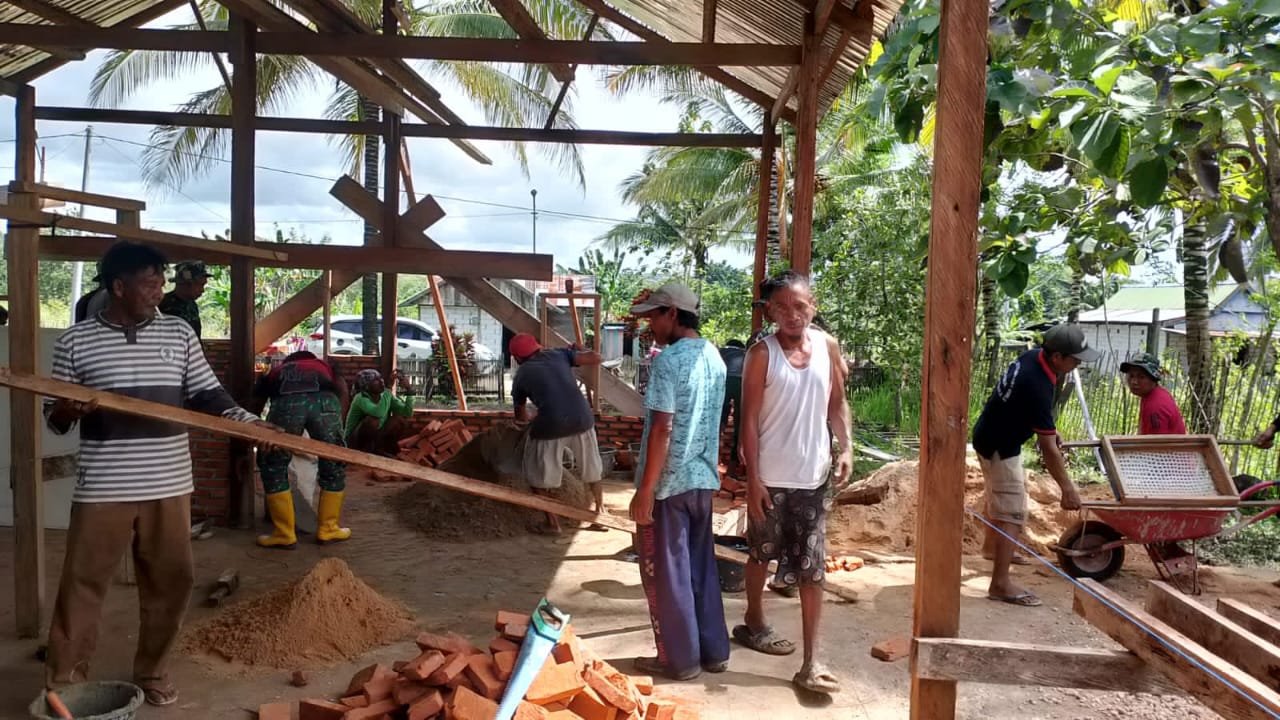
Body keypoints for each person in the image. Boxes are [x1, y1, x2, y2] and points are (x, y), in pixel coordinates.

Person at [43, 241, 273, 706]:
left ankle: (152, 671)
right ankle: (65, 680)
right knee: (83, 583)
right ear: (119, 287)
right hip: (104, 485)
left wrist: (250, 423)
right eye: (150, 283)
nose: (160, 291)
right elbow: (55, 416)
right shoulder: (75, 342)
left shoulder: (178, 334)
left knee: (171, 581)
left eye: (161, 282)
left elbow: (208, 394)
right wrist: (69, 409)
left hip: (168, 483)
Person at [735, 271, 852, 695]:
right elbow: (749, 420)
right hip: (770, 477)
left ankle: (811, 662)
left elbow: (837, 403)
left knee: (812, 568)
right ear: (769, 312)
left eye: (800, 306)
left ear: (813, 306)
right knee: (760, 554)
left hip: (813, 478)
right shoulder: (761, 354)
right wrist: (753, 480)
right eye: (781, 307)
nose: (792, 314)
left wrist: (846, 447)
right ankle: (754, 619)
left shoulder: (827, 346)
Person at [628, 282, 731, 681]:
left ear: (672, 314)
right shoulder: (714, 357)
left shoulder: (668, 362)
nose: (650, 325)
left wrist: (645, 490)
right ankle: (714, 652)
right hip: (702, 481)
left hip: (669, 485)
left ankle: (680, 660)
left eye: (654, 316)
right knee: (701, 567)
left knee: (669, 575)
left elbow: (662, 429)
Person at [971, 323, 1092, 607]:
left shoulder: (1033, 357)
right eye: (1075, 359)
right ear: (1057, 357)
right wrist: (1068, 489)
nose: (1078, 364)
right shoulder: (1036, 384)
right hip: (1001, 446)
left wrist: (1048, 429)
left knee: (997, 497)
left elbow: (1030, 412)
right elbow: (1048, 450)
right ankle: (1000, 584)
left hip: (988, 436)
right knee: (1013, 512)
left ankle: (992, 549)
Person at [252, 350, 351, 548]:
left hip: (286, 405)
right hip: (325, 404)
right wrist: (337, 425)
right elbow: (342, 389)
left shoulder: (278, 371)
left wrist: (255, 430)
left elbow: (257, 401)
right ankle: (328, 529)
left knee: (273, 463)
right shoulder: (324, 367)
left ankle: (284, 534)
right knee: (334, 462)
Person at [509, 332, 605, 534]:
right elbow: (596, 358)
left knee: (536, 475)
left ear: (516, 358)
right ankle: (599, 514)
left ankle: (553, 524)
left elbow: (521, 418)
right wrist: (580, 348)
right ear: (537, 347)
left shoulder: (521, 376)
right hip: (582, 418)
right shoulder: (559, 354)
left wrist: (532, 417)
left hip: (551, 425)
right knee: (593, 469)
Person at [345, 368, 415, 455]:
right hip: (353, 442)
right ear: (367, 386)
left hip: (375, 439)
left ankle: (382, 449)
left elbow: (407, 412)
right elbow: (378, 413)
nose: (381, 381)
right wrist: (389, 387)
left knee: (400, 420)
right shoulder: (360, 398)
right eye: (376, 380)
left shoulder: (385, 396)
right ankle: (365, 453)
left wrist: (409, 389)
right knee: (373, 421)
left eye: (380, 378)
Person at [1120, 353, 1186, 435]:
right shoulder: (1154, 394)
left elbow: (1155, 441)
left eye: (1141, 377)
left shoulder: (1155, 405)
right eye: (1131, 376)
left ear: (1153, 378)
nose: (1134, 382)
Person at [158, 260, 209, 339]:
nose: (202, 290)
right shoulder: (163, 304)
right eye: (200, 285)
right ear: (186, 284)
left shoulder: (192, 305)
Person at [719, 339, 747, 477]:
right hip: (741, 381)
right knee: (739, 424)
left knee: (719, 419)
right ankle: (732, 467)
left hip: (723, 380)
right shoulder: (745, 353)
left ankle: (715, 456)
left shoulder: (721, 351)